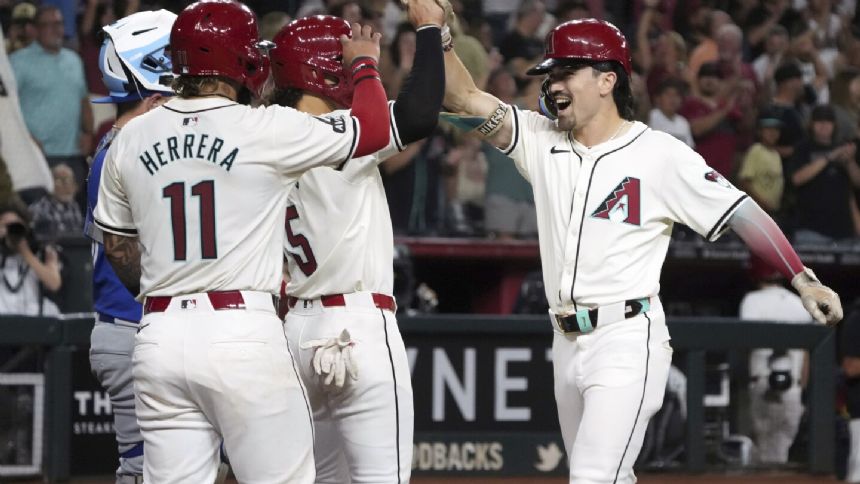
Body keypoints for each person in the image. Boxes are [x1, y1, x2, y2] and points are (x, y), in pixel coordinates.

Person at [430, 13, 843, 483]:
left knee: (591, 476)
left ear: (607, 79)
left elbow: (743, 212)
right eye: (551, 74)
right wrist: (439, 35)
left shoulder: (659, 154)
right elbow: (462, 97)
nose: (553, 84)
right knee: (610, 476)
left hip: (626, 338)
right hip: (564, 342)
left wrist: (802, 277)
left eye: (566, 72)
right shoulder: (540, 140)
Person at [91, 0, 392, 481]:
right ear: (242, 61)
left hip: (158, 335)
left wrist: (169, 296)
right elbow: (373, 129)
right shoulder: (263, 128)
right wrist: (363, 64)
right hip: (240, 332)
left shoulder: (130, 136)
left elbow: (118, 247)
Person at [267, 2, 444, 481]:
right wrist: (428, 31)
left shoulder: (262, 136)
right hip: (357, 326)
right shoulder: (340, 132)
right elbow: (422, 112)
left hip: (296, 333)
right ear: (327, 72)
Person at [84, 10, 175, 483]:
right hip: (131, 327)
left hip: (131, 329)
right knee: (145, 472)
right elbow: (125, 254)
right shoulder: (126, 150)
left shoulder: (118, 143)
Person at [10, 5, 94, 198]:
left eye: (59, 23)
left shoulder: (74, 60)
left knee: (73, 219)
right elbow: (8, 108)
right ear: (35, 29)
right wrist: (27, 139)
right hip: (36, 155)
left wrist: (89, 132)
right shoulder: (18, 62)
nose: (55, 29)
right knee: (40, 218)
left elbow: (83, 100)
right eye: (47, 25)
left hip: (72, 154)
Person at [739, 256, 810, 464]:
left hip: (762, 384)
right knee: (784, 451)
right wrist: (801, 389)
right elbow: (806, 355)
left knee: (765, 453)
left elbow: (745, 349)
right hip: (793, 388)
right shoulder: (800, 303)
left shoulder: (751, 301)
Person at [788, 104, 860, 244]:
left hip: (843, 231)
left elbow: (856, 185)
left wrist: (850, 162)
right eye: (819, 121)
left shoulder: (843, 148)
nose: (824, 125)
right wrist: (828, 158)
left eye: (828, 121)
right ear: (811, 124)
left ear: (834, 125)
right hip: (810, 229)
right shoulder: (803, 148)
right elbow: (796, 179)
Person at [0, 201, 61, 317]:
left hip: (31, 315)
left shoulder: (41, 251)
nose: (10, 232)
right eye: (5, 226)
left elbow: (54, 284)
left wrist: (25, 252)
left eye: (15, 227)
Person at [737, 109, 785, 217]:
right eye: (768, 129)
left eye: (776, 129)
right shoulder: (756, 150)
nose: (772, 133)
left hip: (771, 212)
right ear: (760, 131)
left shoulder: (776, 154)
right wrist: (763, 203)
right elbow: (744, 182)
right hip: (755, 211)